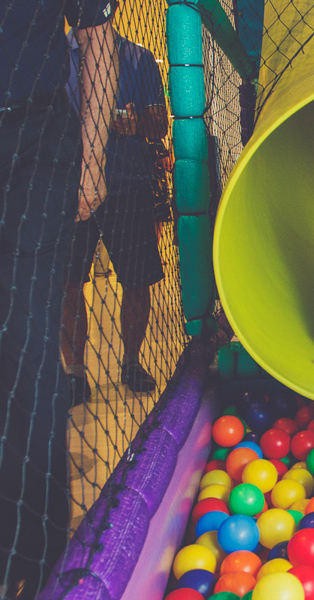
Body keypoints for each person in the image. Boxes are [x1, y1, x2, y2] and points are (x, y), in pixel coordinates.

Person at [0, 1, 119, 597]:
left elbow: (98, 37)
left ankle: (36, 546)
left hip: (37, 141)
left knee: (26, 339)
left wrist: (93, 158)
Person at [60, 28, 167, 401]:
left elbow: (160, 124)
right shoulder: (56, 54)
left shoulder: (139, 59)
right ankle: (74, 374)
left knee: (136, 281)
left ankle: (132, 362)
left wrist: (133, 125)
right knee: (67, 283)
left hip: (128, 185)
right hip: (70, 189)